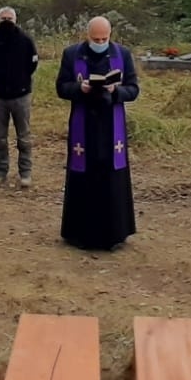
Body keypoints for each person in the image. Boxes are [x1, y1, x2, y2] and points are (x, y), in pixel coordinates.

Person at [56, 16, 139, 250]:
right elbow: (61, 87)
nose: (100, 42)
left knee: (111, 178)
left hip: (112, 128)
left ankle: (114, 234)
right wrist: (78, 88)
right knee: (83, 177)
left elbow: (133, 89)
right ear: (88, 36)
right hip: (84, 126)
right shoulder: (72, 54)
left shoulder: (122, 54)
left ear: (110, 35)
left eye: (105, 38)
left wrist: (116, 90)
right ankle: (79, 234)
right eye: (96, 39)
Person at [0, 6, 38, 188]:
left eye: (9, 17)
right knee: (0, 139)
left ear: (15, 19)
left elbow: (33, 64)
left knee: (24, 137)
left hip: (21, 96)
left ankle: (25, 173)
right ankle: (0, 171)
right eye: (3, 17)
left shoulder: (26, 40)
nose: (6, 20)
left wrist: (20, 80)